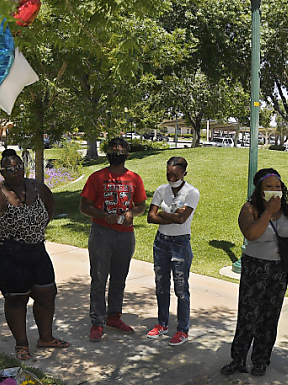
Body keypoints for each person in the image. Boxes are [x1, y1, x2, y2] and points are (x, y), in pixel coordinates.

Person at [0, 148, 68, 361]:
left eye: (18, 167)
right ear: (2, 172)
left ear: (23, 167)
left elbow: (50, 207)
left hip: (37, 251)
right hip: (9, 254)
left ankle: (45, 337)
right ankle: (22, 344)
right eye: (9, 169)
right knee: (17, 299)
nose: (15, 171)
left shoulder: (38, 188)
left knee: (47, 294)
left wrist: (36, 229)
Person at [220, 168, 288, 377]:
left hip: (279, 270)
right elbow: (252, 234)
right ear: (259, 190)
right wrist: (268, 211)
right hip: (255, 268)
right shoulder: (250, 209)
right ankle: (238, 359)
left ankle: (260, 359)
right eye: (269, 187)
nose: (275, 191)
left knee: (270, 316)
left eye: (278, 187)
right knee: (248, 315)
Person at [79, 137, 148, 342]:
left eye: (121, 149)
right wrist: (103, 215)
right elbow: (84, 207)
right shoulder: (97, 177)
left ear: (127, 153)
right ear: (107, 153)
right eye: (113, 149)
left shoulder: (134, 178)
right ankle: (97, 322)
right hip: (102, 233)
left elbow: (141, 206)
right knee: (99, 279)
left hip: (126, 235)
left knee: (119, 278)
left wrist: (131, 214)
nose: (116, 152)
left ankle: (114, 316)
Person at [146, 157, 200, 346]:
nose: (171, 178)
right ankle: (162, 323)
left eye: (175, 175)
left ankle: (182, 329)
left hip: (180, 243)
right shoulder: (161, 190)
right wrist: (172, 216)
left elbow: (182, 220)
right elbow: (150, 218)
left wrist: (164, 215)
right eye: (168, 174)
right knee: (161, 284)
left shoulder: (192, 193)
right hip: (161, 242)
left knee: (181, 288)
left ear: (184, 173)